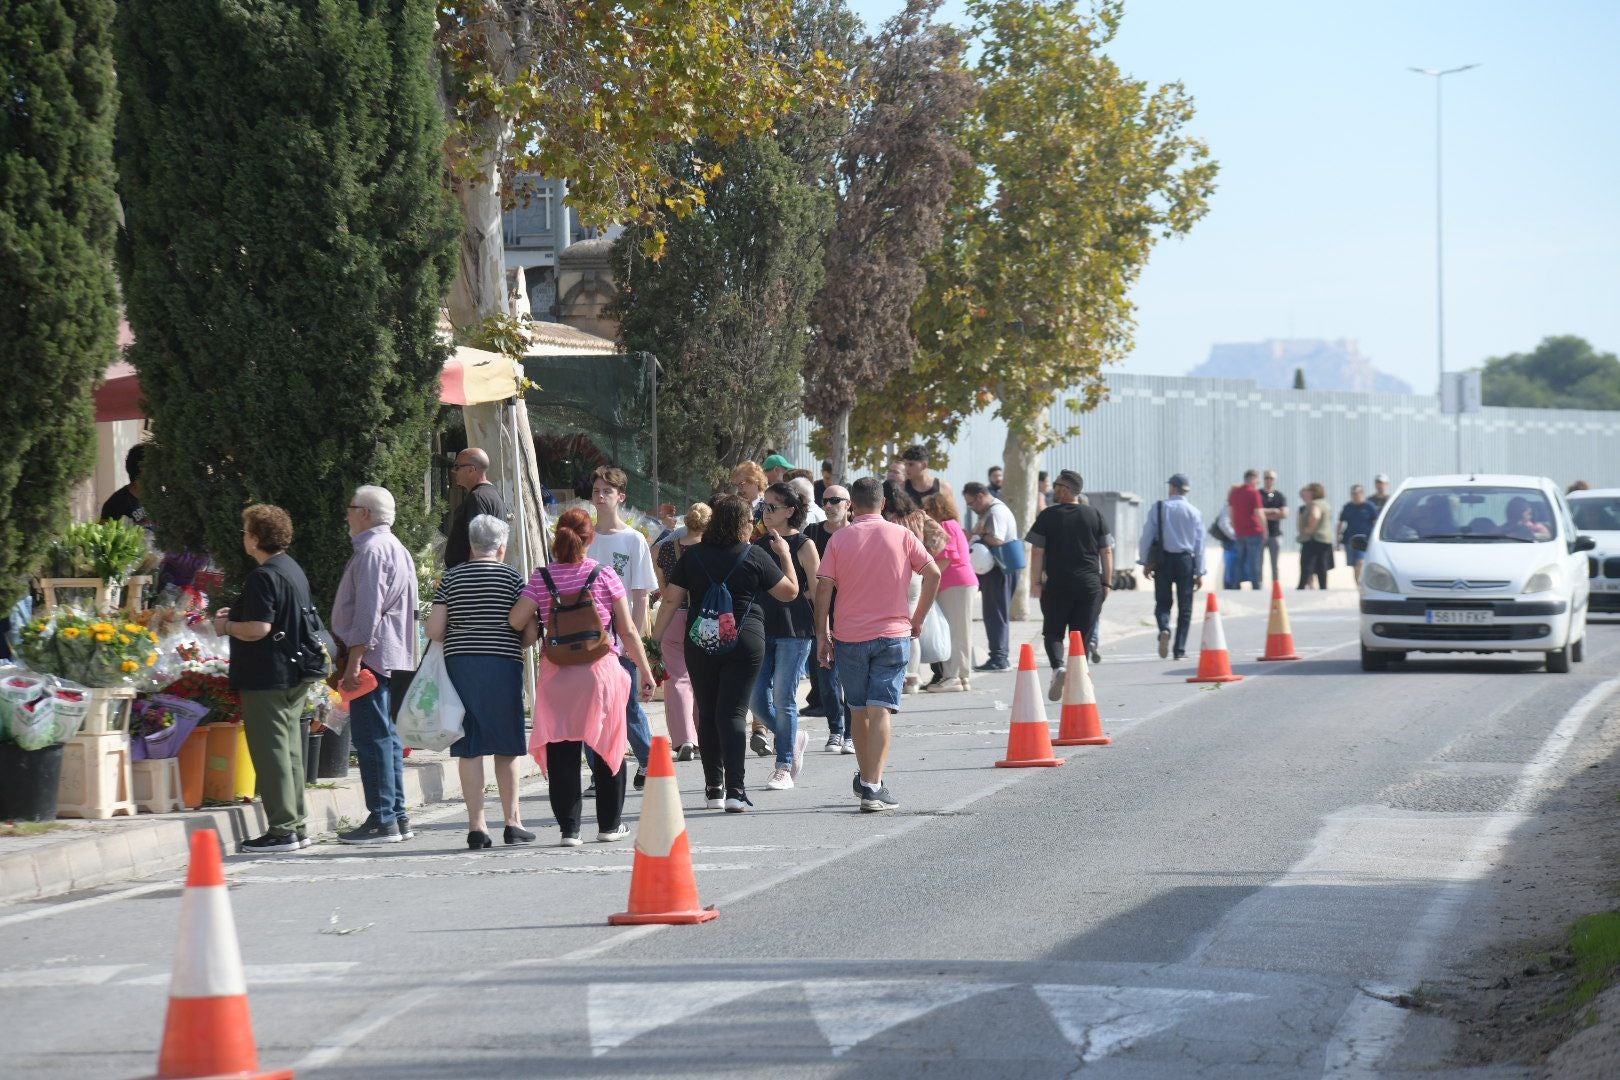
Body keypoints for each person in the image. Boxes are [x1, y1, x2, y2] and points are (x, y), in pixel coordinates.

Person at [510, 508, 654, 845]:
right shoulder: (603, 575)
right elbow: (628, 630)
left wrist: (537, 618)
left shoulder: (541, 578)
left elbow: (517, 622)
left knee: (562, 750)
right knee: (608, 747)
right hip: (600, 673)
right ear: (590, 539)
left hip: (557, 674)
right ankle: (609, 825)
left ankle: (569, 830)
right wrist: (646, 670)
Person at [651, 494, 799, 812]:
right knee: (732, 713)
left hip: (701, 640)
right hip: (745, 641)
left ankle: (714, 788)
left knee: (707, 713)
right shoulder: (753, 555)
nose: (752, 526)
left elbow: (671, 600)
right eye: (750, 521)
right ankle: (735, 790)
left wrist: (654, 640)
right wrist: (785, 556)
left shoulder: (693, 556)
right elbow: (790, 592)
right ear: (741, 524)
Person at [815, 477, 941, 813]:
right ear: (883, 504)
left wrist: (821, 634)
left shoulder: (839, 540)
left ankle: (870, 781)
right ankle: (872, 784)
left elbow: (824, 589)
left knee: (858, 710)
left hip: (849, 635)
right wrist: (918, 618)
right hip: (893, 633)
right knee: (881, 708)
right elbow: (934, 574)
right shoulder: (902, 535)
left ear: (852, 505)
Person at [425, 514, 532, 849]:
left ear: (471, 545)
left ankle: (477, 827)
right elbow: (526, 634)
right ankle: (512, 822)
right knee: (507, 746)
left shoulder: (452, 578)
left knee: (469, 746)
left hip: (461, 668)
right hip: (503, 666)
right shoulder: (513, 579)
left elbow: (434, 630)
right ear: (501, 547)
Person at [216, 504, 318, 852]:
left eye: (246, 531)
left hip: (268, 675)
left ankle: (282, 829)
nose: (243, 538)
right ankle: (296, 823)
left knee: (271, 751)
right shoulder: (291, 568)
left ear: (257, 538)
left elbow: (259, 628)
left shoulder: (263, 575)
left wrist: (226, 626)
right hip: (294, 672)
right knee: (289, 750)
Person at [332, 485, 419, 845]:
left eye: (352, 508)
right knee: (387, 738)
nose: (348, 515)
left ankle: (383, 818)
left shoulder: (371, 550)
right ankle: (396, 815)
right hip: (395, 655)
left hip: (373, 658)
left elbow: (368, 611)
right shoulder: (397, 548)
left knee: (372, 739)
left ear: (365, 513)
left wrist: (354, 660)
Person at [587, 466, 657, 789]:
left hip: (621, 638)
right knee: (590, 709)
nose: (601, 497)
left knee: (626, 707)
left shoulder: (634, 540)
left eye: (607, 491)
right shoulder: (583, 537)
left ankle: (648, 759)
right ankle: (599, 771)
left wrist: (636, 642)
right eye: (597, 491)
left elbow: (641, 595)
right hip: (586, 639)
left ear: (620, 497)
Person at [750, 483, 820, 791]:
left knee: (783, 696)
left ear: (790, 511)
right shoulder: (758, 543)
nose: (766, 512)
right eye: (763, 507)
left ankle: (783, 766)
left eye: (772, 507)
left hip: (795, 630)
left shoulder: (803, 544)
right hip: (762, 628)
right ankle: (793, 737)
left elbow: (818, 591)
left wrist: (824, 632)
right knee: (755, 696)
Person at [1027, 470, 1112, 697]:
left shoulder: (1047, 516)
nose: (1054, 490)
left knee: (1053, 632)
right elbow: (1106, 551)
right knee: (1081, 634)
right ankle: (1079, 680)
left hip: (1057, 584)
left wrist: (1035, 582)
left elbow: (1037, 551)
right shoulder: (1095, 515)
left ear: (1066, 489)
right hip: (1090, 584)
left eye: (1056, 486)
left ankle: (1058, 668)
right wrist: (1107, 583)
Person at [652, 504, 709, 761]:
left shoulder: (665, 549)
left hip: (674, 616)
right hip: (705, 618)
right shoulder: (711, 550)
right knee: (702, 677)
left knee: (677, 678)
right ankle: (702, 733)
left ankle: (685, 738)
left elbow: (664, 591)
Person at [803, 485, 856, 750]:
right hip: (821, 611)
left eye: (835, 500)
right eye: (825, 500)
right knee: (825, 674)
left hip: (851, 612)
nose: (829, 505)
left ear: (849, 504)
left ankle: (850, 733)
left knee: (850, 676)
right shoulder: (812, 533)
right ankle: (835, 729)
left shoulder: (856, 532)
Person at [881, 483, 948, 695]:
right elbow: (942, 536)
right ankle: (914, 677)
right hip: (916, 574)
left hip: (892, 574)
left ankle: (904, 677)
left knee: (894, 624)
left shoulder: (885, 519)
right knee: (912, 625)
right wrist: (927, 555)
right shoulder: (918, 516)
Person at [1139, 475, 1205, 661]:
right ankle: (1179, 649)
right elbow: (1200, 544)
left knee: (1162, 602)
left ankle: (1164, 628)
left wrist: (1144, 561)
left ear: (1173, 488)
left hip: (1163, 560)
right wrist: (1199, 571)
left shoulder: (1159, 508)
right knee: (1185, 607)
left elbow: (1147, 536)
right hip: (1185, 560)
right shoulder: (1194, 512)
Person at [922, 489, 976, 693]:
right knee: (960, 631)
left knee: (954, 631)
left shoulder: (945, 526)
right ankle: (960, 675)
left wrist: (930, 583)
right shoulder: (954, 525)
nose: (925, 514)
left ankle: (954, 676)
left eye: (927, 509)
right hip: (960, 582)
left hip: (954, 583)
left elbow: (945, 558)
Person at [962, 481, 1019, 671]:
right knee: (993, 613)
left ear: (980, 496)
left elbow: (997, 539)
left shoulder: (995, 513)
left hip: (999, 569)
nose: (972, 508)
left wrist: (978, 534)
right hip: (998, 569)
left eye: (971, 503)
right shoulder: (993, 511)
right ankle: (998, 655)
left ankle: (999, 657)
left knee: (995, 614)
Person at [442, 448, 508, 568]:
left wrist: (469, 577)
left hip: (471, 578)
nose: (453, 471)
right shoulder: (493, 495)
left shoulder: (477, 498)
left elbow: (478, 544)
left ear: (471, 469)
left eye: (457, 466)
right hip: (485, 573)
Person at [1227, 469, 1265, 589]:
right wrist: (1265, 529)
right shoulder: (1254, 493)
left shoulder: (1236, 493)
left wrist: (1234, 525)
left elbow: (1231, 511)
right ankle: (1256, 585)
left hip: (1240, 532)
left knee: (1240, 560)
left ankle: (1236, 584)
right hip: (1253, 531)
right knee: (1254, 560)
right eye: (1258, 479)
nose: (1259, 481)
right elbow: (1259, 512)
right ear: (1253, 478)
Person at [100, 444, 152, 531]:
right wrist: (138, 525)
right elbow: (102, 532)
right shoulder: (116, 503)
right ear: (141, 467)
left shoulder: (157, 497)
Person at [1337, 485, 1380, 585]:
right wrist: (1337, 540)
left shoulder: (1370, 506)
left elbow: (1376, 522)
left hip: (1365, 540)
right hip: (1350, 539)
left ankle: (1361, 583)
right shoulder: (1348, 507)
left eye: (1357, 493)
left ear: (1362, 494)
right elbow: (1341, 523)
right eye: (1353, 494)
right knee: (1354, 564)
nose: (1355, 496)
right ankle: (1358, 584)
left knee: (1360, 561)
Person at [1297, 483, 1334, 590]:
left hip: (1314, 538)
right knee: (1322, 565)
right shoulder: (1325, 504)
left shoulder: (1314, 504)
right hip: (1325, 538)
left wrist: (1309, 529)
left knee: (1306, 563)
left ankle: (1301, 586)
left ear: (1313, 492)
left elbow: (1315, 516)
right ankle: (1323, 587)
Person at [1260, 469, 1289, 586]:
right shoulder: (1258, 495)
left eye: (1271, 478)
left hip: (1275, 534)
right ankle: (1259, 584)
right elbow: (1255, 513)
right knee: (1259, 562)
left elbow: (1284, 513)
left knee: (1275, 563)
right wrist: (1272, 511)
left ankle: (1275, 585)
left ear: (1275, 480)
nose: (1269, 480)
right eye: (1267, 478)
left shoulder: (1279, 496)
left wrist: (1264, 515)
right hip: (1260, 534)